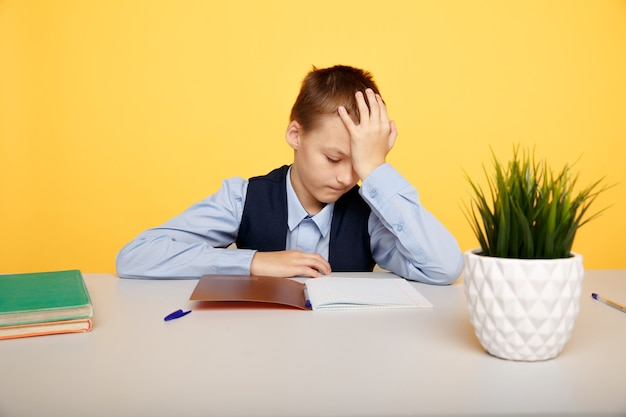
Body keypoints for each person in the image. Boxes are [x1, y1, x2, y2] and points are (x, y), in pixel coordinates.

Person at [116, 65, 463, 285]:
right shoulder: (241, 197)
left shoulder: (370, 216)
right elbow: (135, 256)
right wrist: (253, 262)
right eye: (333, 158)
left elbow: (444, 267)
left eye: (358, 164)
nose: (346, 178)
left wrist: (376, 171)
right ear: (296, 136)